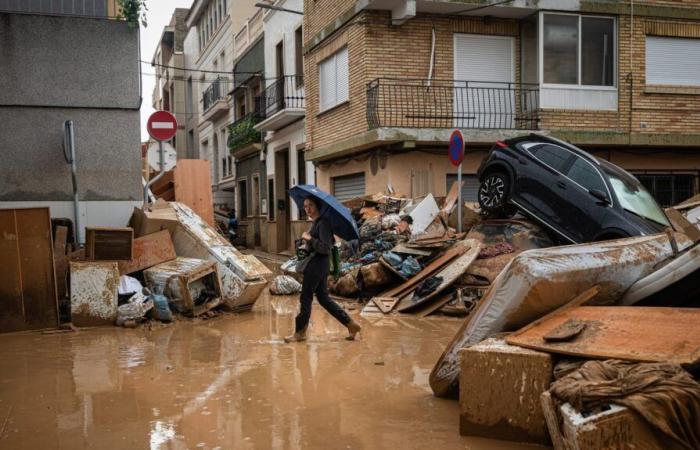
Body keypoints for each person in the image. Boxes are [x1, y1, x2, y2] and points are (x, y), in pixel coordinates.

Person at [285, 196, 362, 343]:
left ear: (318, 206)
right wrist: (304, 242)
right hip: (318, 265)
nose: (307, 209)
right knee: (323, 299)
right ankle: (351, 325)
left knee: (305, 297)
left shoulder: (323, 224)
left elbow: (325, 248)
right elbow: (316, 244)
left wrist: (309, 239)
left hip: (317, 266)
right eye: (305, 206)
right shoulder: (316, 223)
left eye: (311, 206)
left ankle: (300, 333)